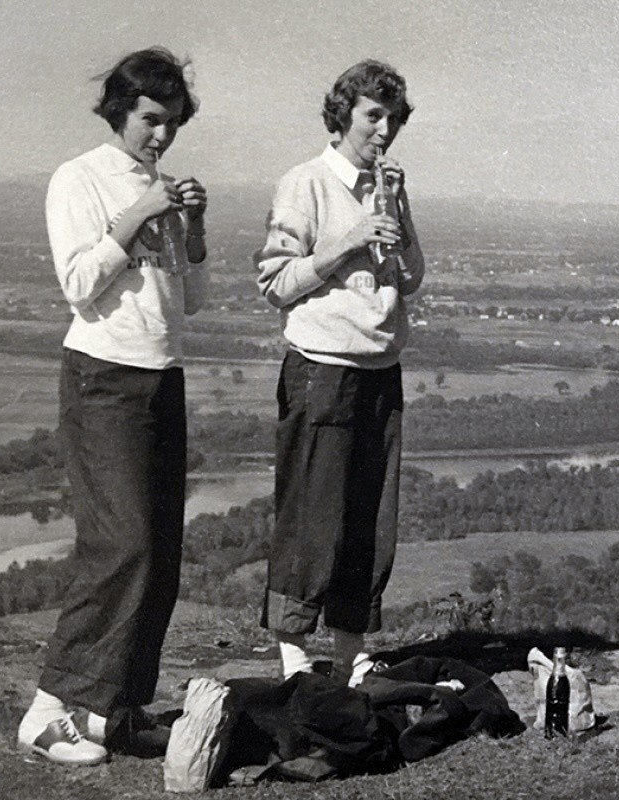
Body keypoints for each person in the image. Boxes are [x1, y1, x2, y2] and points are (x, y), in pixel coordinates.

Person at [17, 47, 209, 765]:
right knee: (121, 543)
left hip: (162, 373)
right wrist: (136, 215)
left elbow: (190, 299)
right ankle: (46, 709)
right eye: (152, 121)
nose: (161, 137)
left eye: (172, 125)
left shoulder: (155, 184)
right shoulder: (81, 178)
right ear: (121, 110)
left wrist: (191, 232)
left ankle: (108, 710)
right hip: (104, 376)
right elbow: (78, 283)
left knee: (159, 552)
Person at [255, 60, 424, 684]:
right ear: (343, 115)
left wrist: (398, 214)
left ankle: (351, 655)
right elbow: (275, 283)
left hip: (380, 366)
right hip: (321, 369)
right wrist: (349, 240)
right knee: (311, 514)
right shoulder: (307, 183)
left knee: (369, 515)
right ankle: (296, 659)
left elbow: (410, 279)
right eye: (372, 116)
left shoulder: (388, 185)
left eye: (393, 118)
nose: (384, 130)